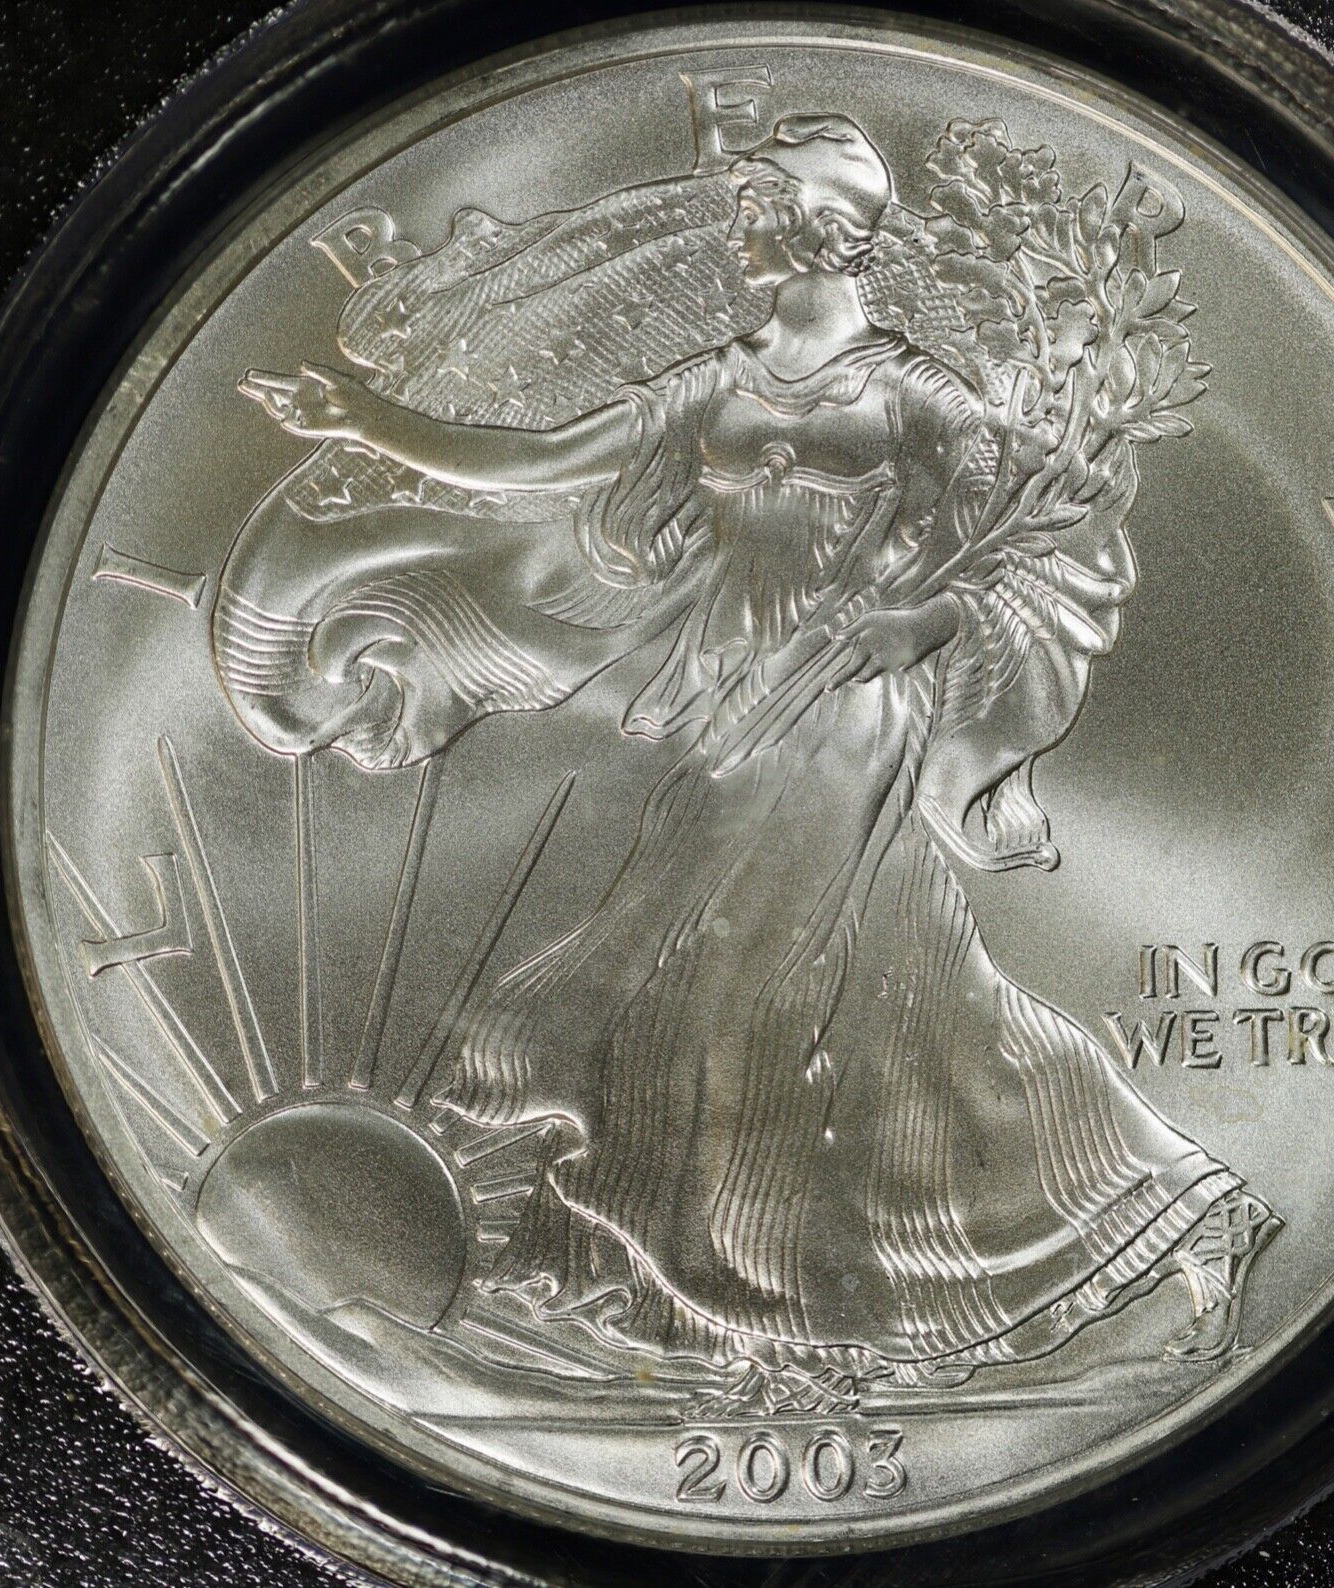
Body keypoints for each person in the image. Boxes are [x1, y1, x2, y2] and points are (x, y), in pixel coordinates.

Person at [242, 113, 1278, 1412]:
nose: (738, 229)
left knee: (734, 983)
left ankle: (798, 1304)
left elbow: (1038, 538)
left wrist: (919, 621)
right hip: (729, 714)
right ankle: (814, 1292)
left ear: (826, 230)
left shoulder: (913, 397)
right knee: (868, 996)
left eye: (757, 208)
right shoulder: (716, 386)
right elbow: (545, 465)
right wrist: (366, 421)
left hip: (846, 719)